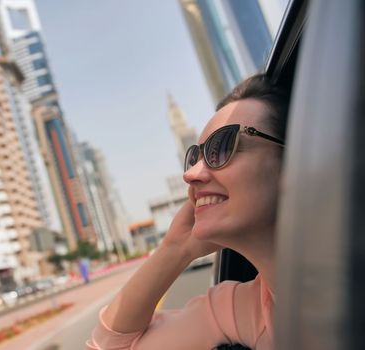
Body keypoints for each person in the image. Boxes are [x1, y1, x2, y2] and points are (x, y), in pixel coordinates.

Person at [86, 73, 289, 350]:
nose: (191, 174)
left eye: (224, 146)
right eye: (195, 156)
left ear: (294, 161)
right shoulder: (241, 312)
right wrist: (176, 248)